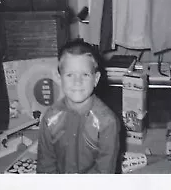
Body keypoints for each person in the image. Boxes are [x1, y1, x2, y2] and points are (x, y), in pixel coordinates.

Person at [36, 39, 120, 174]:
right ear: (59, 78)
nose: (77, 82)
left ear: (96, 79)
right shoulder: (50, 118)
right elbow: (45, 163)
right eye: (70, 75)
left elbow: (105, 170)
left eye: (85, 75)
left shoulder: (107, 122)